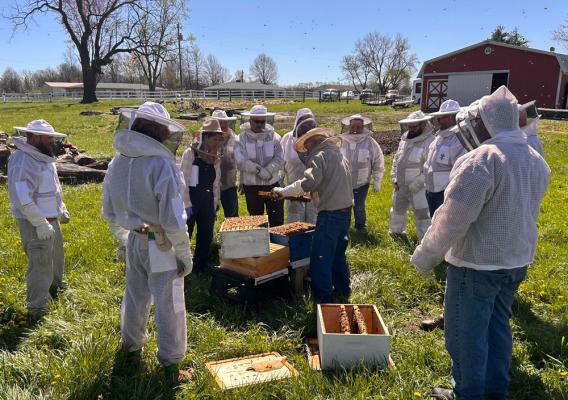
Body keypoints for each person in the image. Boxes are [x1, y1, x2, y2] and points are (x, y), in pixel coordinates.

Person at [411, 86, 550, 400]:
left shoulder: (482, 159)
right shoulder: (534, 158)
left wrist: (424, 256)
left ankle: (468, 393)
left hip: (477, 265)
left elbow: (453, 218)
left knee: (464, 336)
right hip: (515, 261)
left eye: (475, 123)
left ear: (486, 122)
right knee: (497, 327)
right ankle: (494, 389)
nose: (471, 128)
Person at [102, 102, 193, 387]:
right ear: (161, 130)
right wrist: (184, 253)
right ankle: (171, 366)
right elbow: (174, 220)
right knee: (169, 302)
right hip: (161, 243)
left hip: (134, 240)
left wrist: (122, 237)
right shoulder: (162, 163)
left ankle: (131, 348)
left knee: (135, 296)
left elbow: (109, 210)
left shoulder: (117, 162)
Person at [272, 128, 353, 303]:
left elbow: (309, 182)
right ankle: (342, 290)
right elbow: (331, 183)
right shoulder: (339, 156)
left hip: (330, 215)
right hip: (345, 214)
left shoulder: (319, 156)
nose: (307, 151)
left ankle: (323, 300)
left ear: (316, 142)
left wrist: (284, 191)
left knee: (320, 257)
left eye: (307, 147)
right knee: (338, 254)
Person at [8, 119, 70, 323]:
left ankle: (56, 289)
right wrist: (39, 222)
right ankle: (37, 308)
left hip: (51, 220)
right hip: (35, 223)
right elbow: (21, 196)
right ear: (33, 137)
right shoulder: (23, 159)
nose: (51, 140)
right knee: (39, 264)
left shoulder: (43, 156)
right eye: (47, 137)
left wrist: (61, 210)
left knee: (55, 258)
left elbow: (53, 188)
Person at [180, 118, 224, 274]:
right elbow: (183, 180)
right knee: (185, 234)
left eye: (219, 139)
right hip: (191, 200)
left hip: (207, 199)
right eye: (214, 138)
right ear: (204, 137)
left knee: (206, 234)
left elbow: (216, 183)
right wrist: (186, 204)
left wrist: (214, 203)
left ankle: (200, 267)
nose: (217, 142)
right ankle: (183, 267)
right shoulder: (190, 153)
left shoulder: (216, 157)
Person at [235, 104, 284, 226]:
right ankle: (260, 244)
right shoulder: (241, 138)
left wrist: (268, 170)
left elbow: (280, 157)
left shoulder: (274, 137)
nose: (259, 124)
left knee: (276, 219)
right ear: (250, 121)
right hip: (252, 187)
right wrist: (258, 170)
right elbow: (240, 160)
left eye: (262, 122)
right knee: (257, 221)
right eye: (256, 121)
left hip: (273, 185)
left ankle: (277, 244)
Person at [389, 111, 435, 241]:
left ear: (423, 124)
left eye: (414, 126)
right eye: (410, 126)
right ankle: (396, 233)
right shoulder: (404, 140)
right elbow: (396, 160)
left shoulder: (430, 141)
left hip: (419, 188)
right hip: (400, 185)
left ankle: (424, 241)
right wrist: (394, 177)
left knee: (422, 214)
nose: (411, 129)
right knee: (397, 210)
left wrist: (419, 182)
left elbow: (431, 165)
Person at [340, 114, 384, 231]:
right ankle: (344, 227)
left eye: (358, 127)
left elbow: (378, 161)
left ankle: (360, 227)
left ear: (363, 127)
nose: (355, 130)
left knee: (359, 206)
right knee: (344, 206)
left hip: (362, 183)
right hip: (344, 182)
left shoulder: (370, 142)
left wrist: (377, 180)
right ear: (349, 126)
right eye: (353, 126)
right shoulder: (341, 141)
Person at [280, 108, 318, 224]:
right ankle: (295, 241)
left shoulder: (318, 139)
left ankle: (311, 241)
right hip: (293, 186)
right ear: (297, 121)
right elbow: (281, 161)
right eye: (302, 120)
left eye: (308, 120)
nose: (305, 123)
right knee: (294, 221)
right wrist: (280, 181)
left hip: (314, 187)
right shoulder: (287, 139)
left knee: (313, 219)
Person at [212, 110, 240, 217]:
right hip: (210, 184)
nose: (223, 125)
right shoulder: (205, 139)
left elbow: (239, 159)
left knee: (232, 216)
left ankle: (233, 234)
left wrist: (242, 178)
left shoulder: (234, 138)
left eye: (225, 122)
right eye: (220, 123)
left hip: (229, 183)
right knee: (209, 217)